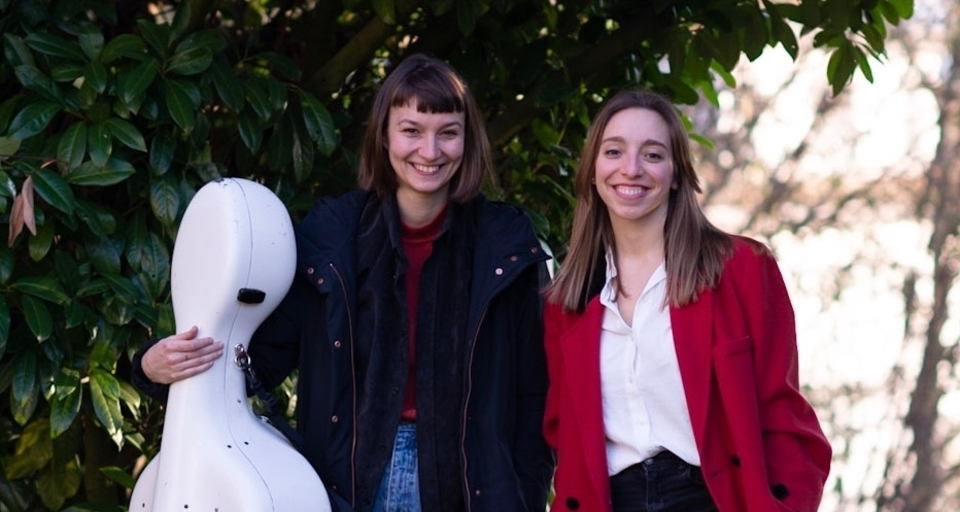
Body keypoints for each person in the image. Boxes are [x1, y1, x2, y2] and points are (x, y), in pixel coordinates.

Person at [131, 53, 555, 512]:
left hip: (469, 485)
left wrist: (525, 498)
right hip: (346, 485)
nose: (429, 152)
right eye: (411, 130)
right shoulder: (333, 236)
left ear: (467, 141)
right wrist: (152, 367)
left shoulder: (503, 242)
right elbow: (257, 359)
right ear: (384, 136)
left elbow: (534, 393)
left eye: (447, 133)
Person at [541, 89, 832, 512]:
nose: (632, 168)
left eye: (653, 154)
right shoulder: (566, 303)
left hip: (711, 498)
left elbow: (784, 418)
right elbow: (560, 433)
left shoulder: (741, 270)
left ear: (677, 173)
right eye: (614, 151)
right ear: (591, 169)